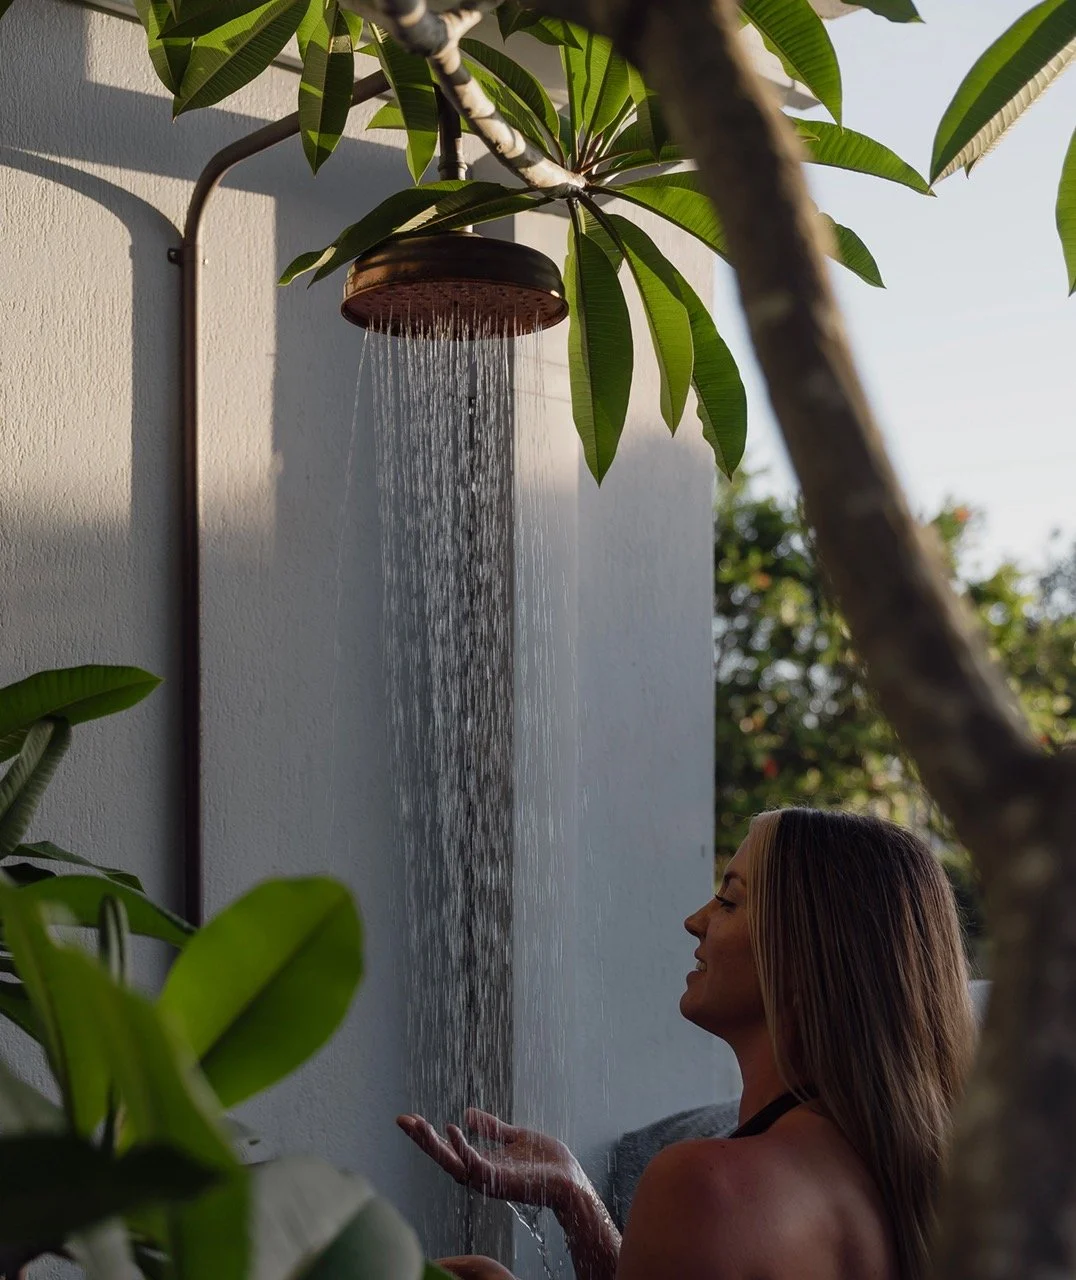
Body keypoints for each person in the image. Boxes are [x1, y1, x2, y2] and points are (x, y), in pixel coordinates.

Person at [398, 808, 977, 1280]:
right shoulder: (916, 1174)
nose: (695, 921)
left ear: (804, 955)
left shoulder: (707, 1185)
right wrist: (576, 1198)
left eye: (728, 900)